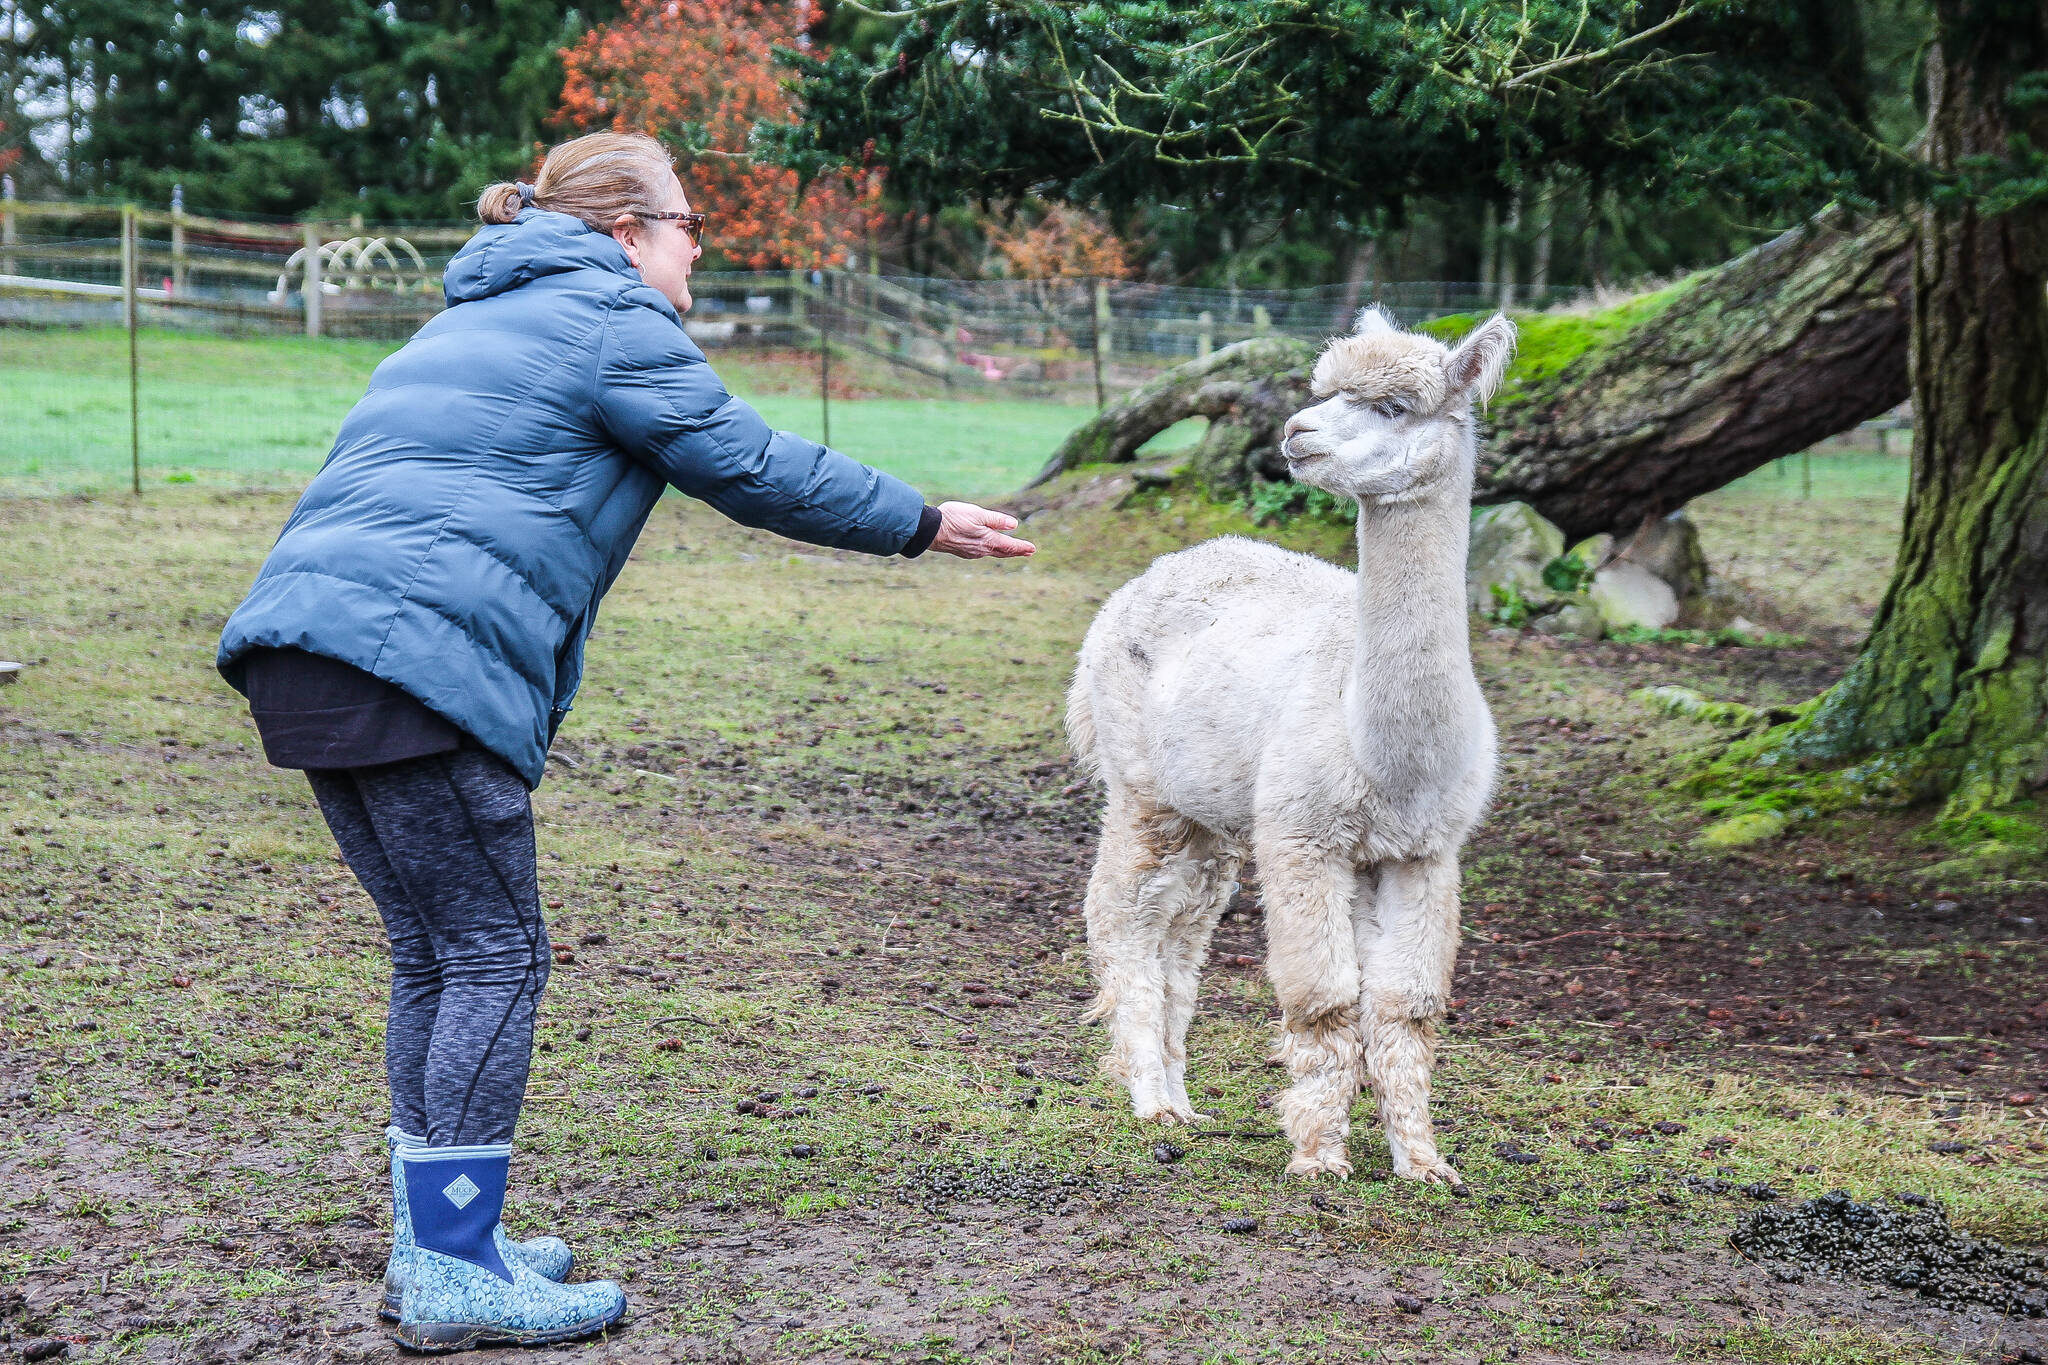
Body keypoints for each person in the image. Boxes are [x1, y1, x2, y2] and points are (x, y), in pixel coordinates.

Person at [215, 131, 1033, 1352]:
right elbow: (748, 465)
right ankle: (450, 1269)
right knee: (492, 956)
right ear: (625, 233)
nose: (699, 247)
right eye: (689, 224)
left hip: (308, 654)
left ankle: (439, 1242)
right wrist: (919, 521)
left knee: (437, 955)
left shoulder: (470, 319)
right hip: (415, 664)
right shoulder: (607, 318)